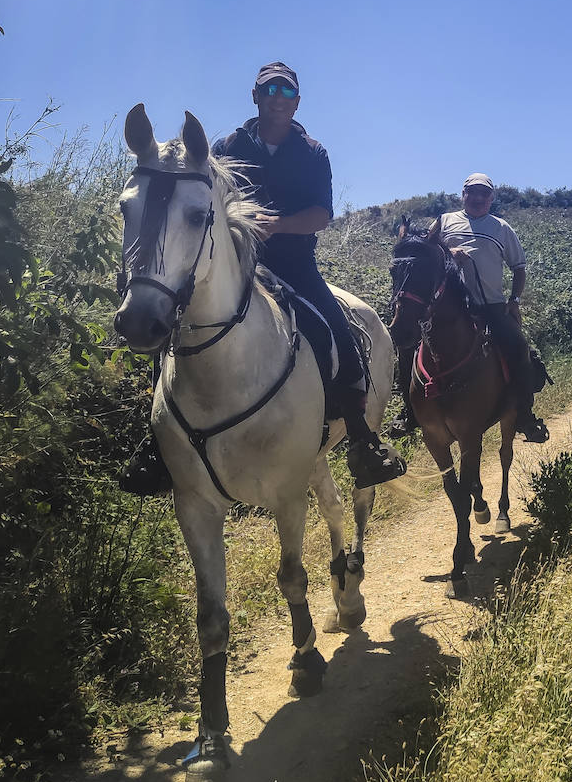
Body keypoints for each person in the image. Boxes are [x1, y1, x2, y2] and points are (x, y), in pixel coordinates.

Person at [119, 62, 405, 494]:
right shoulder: (226, 147)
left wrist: (278, 225)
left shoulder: (312, 152)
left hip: (295, 265)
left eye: (286, 92)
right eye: (269, 89)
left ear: (297, 102)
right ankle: (157, 443)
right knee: (176, 331)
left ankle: (362, 439)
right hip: (235, 263)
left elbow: (321, 214)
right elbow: (207, 204)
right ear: (255, 96)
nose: (277, 98)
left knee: (335, 331)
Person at [391, 173, 549, 443]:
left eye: (483, 193)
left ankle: (524, 414)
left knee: (518, 346)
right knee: (407, 348)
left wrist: (514, 301)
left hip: (490, 306)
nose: (477, 198)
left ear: (491, 198)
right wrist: (449, 253)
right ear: (463, 195)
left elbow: (519, 268)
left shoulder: (501, 228)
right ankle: (410, 413)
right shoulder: (444, 221)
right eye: (472, 192)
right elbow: (426, 252)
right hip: (446, 307)